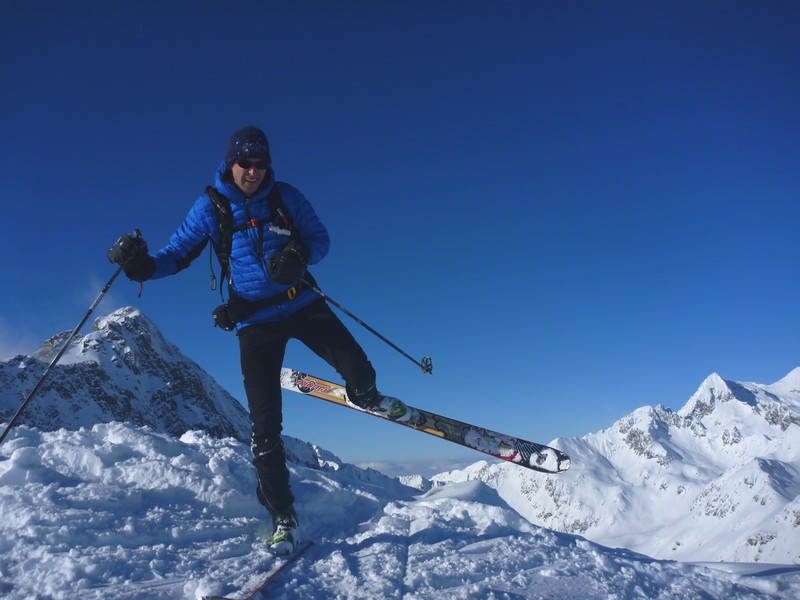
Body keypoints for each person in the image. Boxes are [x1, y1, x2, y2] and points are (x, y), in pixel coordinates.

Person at [108, 125, 413, 554]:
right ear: (230, 162)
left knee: (359, 369)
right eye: (245, 163)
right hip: (256, 324)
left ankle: (366, 395)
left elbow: (320, 238)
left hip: (303, 302)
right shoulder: (210, 208)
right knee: (264, 427)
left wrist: (300, 256)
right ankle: (282, 515)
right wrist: (141, 267)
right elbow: (176, 254)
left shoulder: (285, 197)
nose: (252, 171)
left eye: (260, 163)